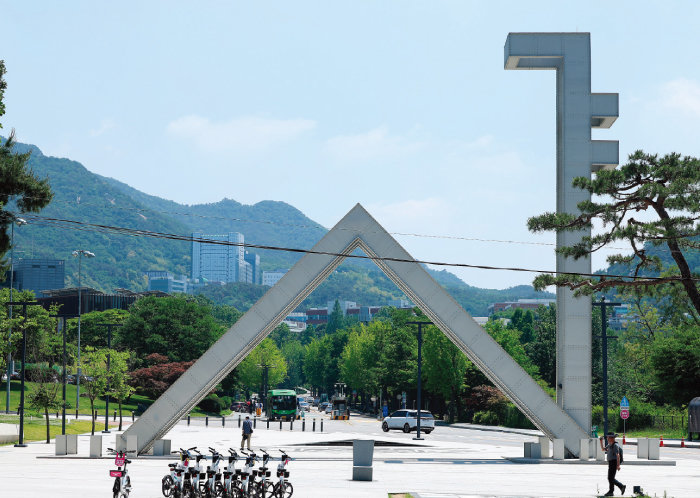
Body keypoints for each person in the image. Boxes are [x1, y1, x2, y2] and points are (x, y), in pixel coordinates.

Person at [599, 432, 626, 496]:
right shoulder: (610, 445)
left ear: (612, 438)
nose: (607, 439)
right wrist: (601, 442)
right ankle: (612, 491)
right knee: (610, 478)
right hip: (611, 463)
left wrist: (618, 465)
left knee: (610, 478)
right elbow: (603, 449)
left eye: (608, 437)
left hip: (614, 462)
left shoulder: (615, 445)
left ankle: (620, 487)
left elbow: (618, 455)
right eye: (607, 437)